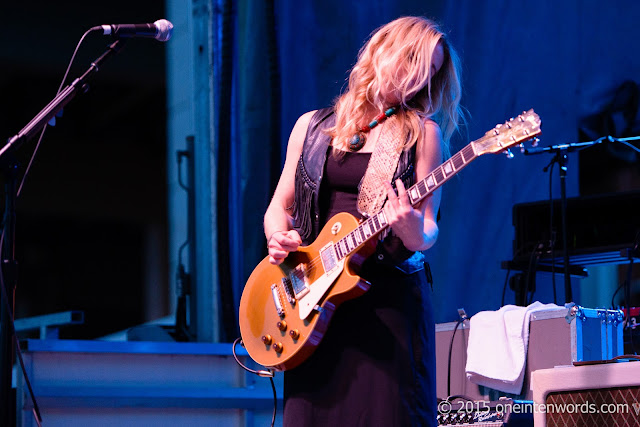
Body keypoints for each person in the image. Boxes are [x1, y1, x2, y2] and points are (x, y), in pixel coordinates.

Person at [263, 16, 463, 426]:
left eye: (429, 70)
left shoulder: (423, 134)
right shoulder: (313, 127)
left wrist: (410, 228)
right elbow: (278, 205)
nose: (418, 77)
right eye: (412, 60)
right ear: (380, 51)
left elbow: (427, 227)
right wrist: (278, 238)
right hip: (314, 298)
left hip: (385, 304)